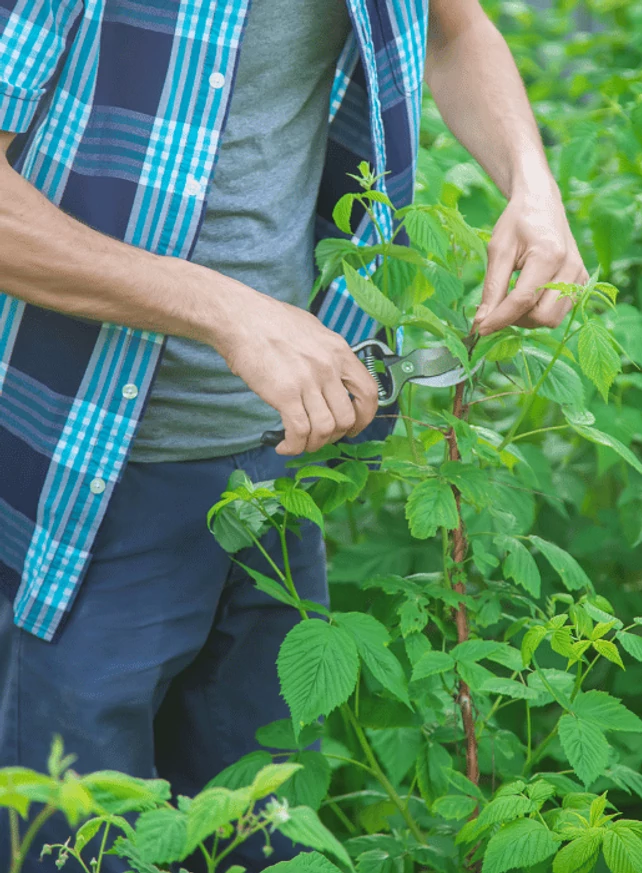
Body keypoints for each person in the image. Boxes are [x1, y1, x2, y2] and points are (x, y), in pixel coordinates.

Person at [0, 0, 590, 868]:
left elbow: (457, 31)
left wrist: (533, 189)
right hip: (72, 475)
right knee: (78, 845)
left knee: (263, 840)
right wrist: (221, 308)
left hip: (282, 469)